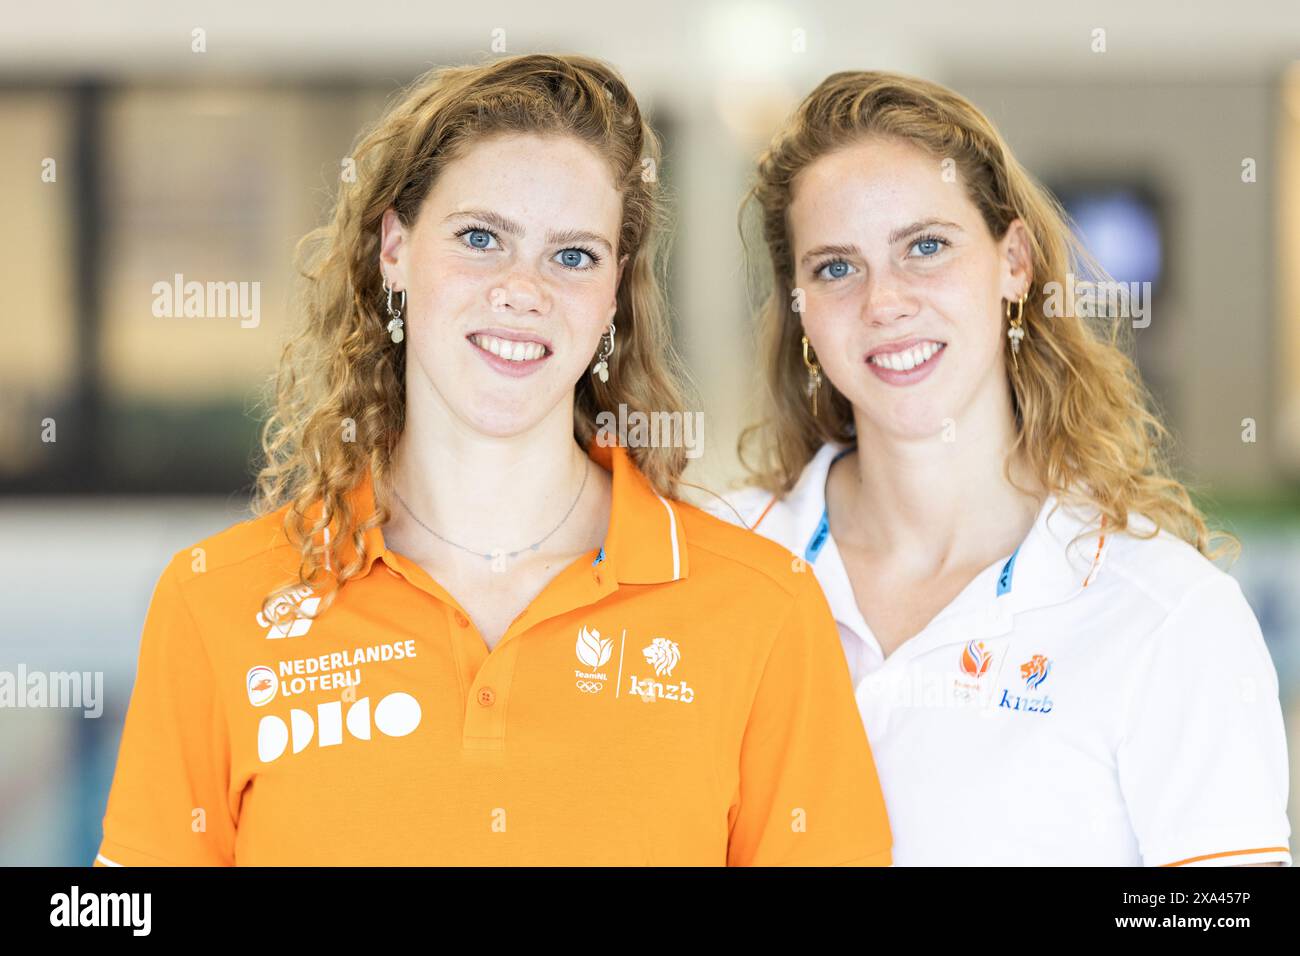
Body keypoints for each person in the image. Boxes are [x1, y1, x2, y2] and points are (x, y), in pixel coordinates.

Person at [93, 54, 891, 867]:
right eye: (481, 238)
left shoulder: (760, 611)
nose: (524, 288)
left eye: (572, 255)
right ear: (394, 250)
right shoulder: (218, 602)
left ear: (614, 291)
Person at [708, 70, 1291, 866]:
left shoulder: (1163, 616)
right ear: (800, 305)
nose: (885, 302)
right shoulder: (711, 559)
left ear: (1013, 261)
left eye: (926, 247)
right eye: (836, 268)